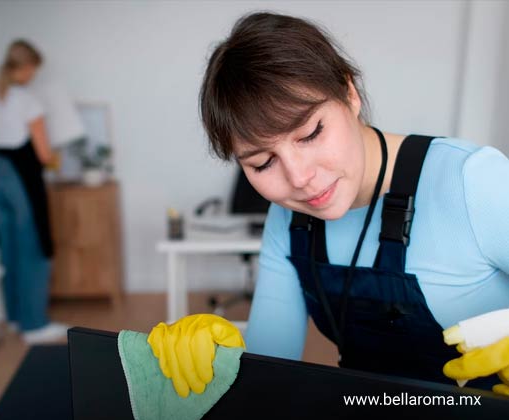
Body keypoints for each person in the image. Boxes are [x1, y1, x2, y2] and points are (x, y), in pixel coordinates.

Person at [147, 12, 509, 397]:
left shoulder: (471, 179)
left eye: (310, 133)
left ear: (349, 93)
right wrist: (222, 357)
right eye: (262, 163)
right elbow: (272, 366)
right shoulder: (288, 219)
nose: (299, 179)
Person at [0, 39, 67, 344]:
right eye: (34, 69)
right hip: (22, 175)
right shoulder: (27, 100)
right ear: (24, 68)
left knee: (8, 245)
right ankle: (34, 324)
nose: (34, 76)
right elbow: (43, 153)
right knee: (33, 246)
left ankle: (14, 318)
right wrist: (53, 159)